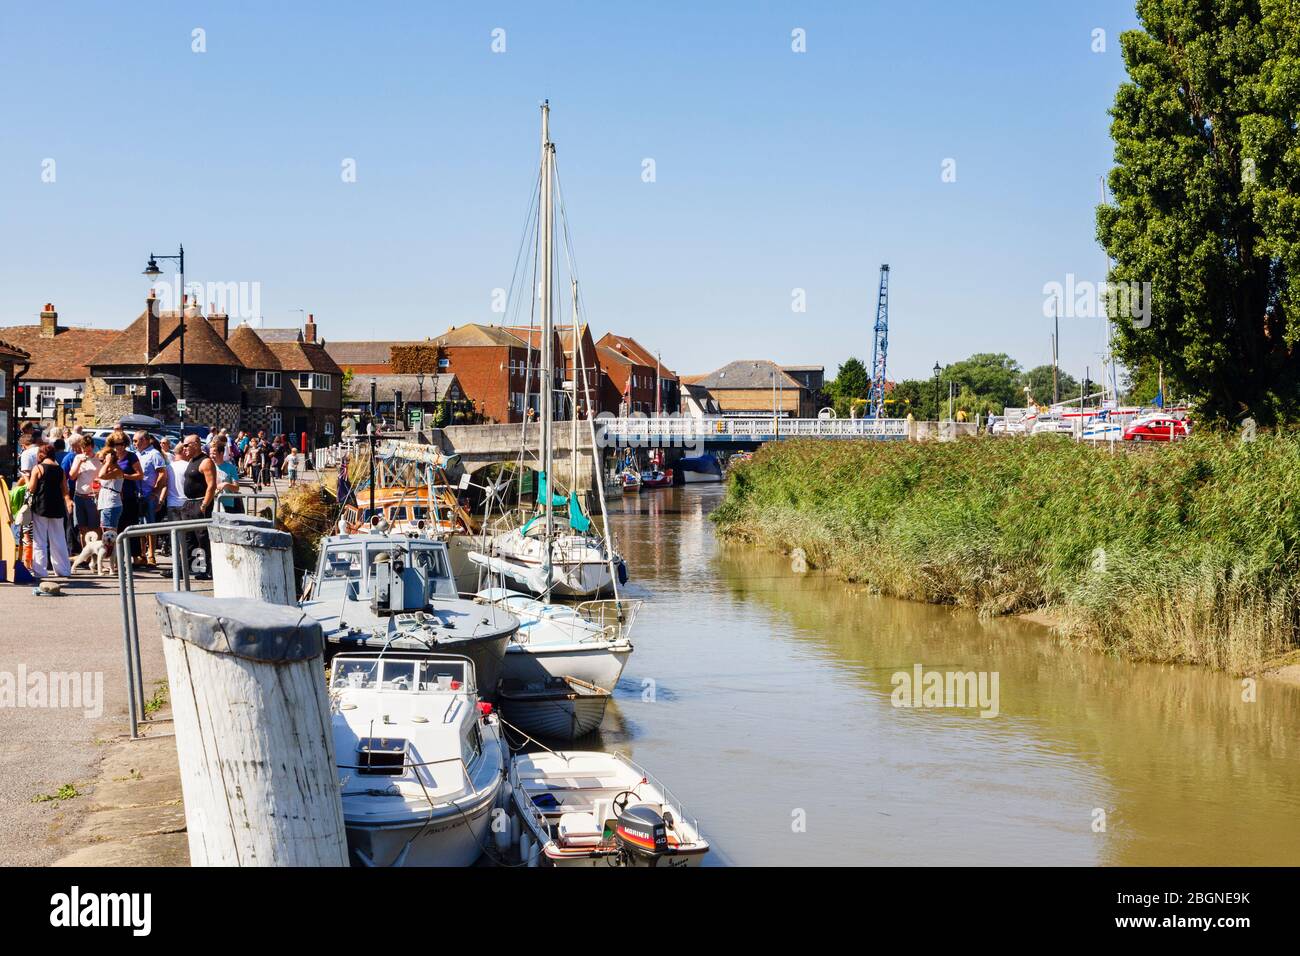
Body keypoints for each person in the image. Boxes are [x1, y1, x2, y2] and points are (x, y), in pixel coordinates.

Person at [27, 442, 73, 590]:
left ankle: (40, 570)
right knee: (58, 538)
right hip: (57, 506)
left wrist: (27, 479)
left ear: (41, 454)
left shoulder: (38, 468)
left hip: (41, 506)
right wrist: (68, 502)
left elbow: (32, 488)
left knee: (40, 540)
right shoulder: (59, 470)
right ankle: (63, 570)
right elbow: (65, 489)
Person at [181, 435, 217, 580]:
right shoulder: (191, 461)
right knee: (188, 538)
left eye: (186, 445)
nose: (184, 448)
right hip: (189, 503)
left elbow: (212, 485)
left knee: (202, 537)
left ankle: (207, 570)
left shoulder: (206, 461)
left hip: (200, 503)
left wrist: (204, 505)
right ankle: (189, 568)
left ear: (196, 444)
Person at [134, 431, 167, 568]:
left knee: (150, 526)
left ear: (145, 440)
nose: (134, 444)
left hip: (149, 495)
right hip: (137, 495)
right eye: (134, 441)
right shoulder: (136, 455)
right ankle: (141, 553)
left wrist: (155, 492)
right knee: (140, 526)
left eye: (136, 441)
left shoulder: (154, 454)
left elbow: (162, 474)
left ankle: (151, 554)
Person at [67, 437, 100, 549]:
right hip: (79, 496)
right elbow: (71, 476)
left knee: (95, 527)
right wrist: (79, 463)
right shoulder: (78, 458)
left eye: (87, 450)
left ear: (92, 447)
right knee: (82, 527)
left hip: (92, 496)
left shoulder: (98, 458)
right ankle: (86, 554)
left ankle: (95, 553)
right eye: (83, 449)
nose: (85, 452)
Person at [96, 435, 127, 541]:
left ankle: (114, 555)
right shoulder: (109, 471)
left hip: (111, 504)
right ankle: (110, 554)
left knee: (110, 533)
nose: (101, 463)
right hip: (105, 504)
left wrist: (108, 462)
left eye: (102, 460)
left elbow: (101, 475)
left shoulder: (117, 471)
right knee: (105, 531)